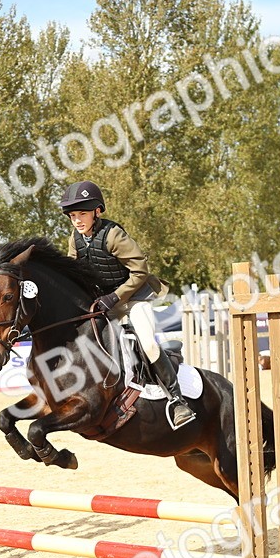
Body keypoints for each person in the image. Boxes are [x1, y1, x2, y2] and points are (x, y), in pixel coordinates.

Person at [58, 180, 195, 428]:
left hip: (134, 298)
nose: (77, 221)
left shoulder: (113, 235)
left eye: (82, 214)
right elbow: (72, 274)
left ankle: (177, 400)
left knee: (148, 344)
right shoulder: (75, 239)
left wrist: (114, 297)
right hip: (105, 303)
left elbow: (140, 270)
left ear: (96, 211)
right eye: (73, 216)